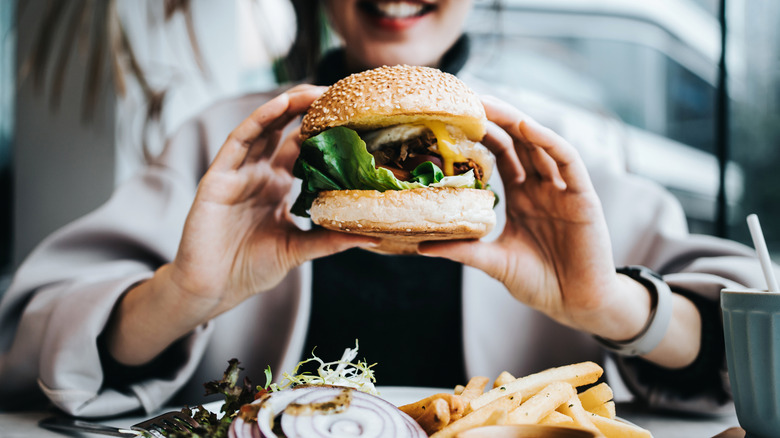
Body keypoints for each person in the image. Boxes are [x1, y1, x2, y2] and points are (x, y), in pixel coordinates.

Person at [0, 0, 768, 418]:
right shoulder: (221, 142)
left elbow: (752, 346)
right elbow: (25, 346)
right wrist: (183, 295)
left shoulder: (553, 151)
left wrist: (612, 303)